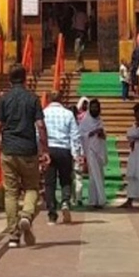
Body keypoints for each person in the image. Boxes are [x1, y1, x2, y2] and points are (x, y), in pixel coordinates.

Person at [0, 63, 48, 247]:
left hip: (8, 150)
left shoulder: (3, 100)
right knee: (32, 188)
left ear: (9, 79)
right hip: (28, 150)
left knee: (11, 193)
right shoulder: (32, 99)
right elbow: (40, 125)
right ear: (25, 79)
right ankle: (26, 214)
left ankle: (13, 236)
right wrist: (45, 149)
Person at [42, 91, 81, 225]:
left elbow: (38, 132)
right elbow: (75, 135)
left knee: (49, 182)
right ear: (61, 99)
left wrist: (39, 151)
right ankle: (65, 201)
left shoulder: (43, 113)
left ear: (48, 99)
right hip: (64, 149)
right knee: (65, 179)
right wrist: (76, 154)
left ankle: (52, 214)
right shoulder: (68, 114)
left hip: (49, 149)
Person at [78, 99, 108, 209]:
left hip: (99, 150)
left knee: (98, 175)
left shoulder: (100, 120)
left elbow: (104, 135)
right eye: (93, 107)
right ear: (90, 108)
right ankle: (100, 200)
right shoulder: (85, 121)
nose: (95, 109)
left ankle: (95, 200)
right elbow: (80, 134)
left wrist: (101, 134)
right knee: (95, 175)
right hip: (90, 150)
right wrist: (92, 133)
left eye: (97, 107)